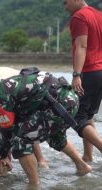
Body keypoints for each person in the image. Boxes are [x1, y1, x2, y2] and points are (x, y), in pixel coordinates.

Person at [0, 66, 92, 185]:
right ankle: (82, 166)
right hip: (65, 99)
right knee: (53, 135)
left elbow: (6, 129)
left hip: (60, 104)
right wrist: (2, 154)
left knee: (20, 142)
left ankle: (34, 184)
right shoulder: (1, 86)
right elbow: (11, 124)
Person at [64, 0, 102, 162]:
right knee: (88, 115)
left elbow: (81, 46)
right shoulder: (98, 15)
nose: (65, 7)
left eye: (66, 3)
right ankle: (88, 156)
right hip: (100, 71)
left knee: (77, 118)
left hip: (89, 71)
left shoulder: (79, 17)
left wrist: (76, 74)